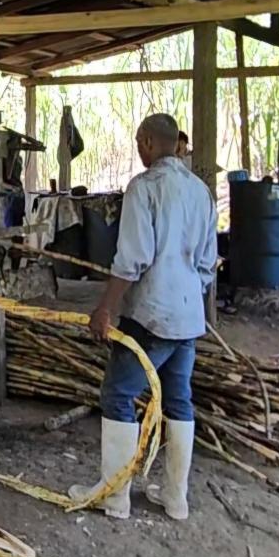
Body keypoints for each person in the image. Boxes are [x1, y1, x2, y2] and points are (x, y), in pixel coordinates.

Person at [68, 113, 218, 521]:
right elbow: (208, 263)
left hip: (151, 316)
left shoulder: (145, 188)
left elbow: (132, 258)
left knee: (118, 395)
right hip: (188, 316)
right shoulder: (200, 191)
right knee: (178, 400)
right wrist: (187, 294)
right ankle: (175, 498)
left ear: (150, 142)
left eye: (138, 142)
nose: (137, 149)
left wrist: (105, 308)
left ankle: (115, 497)